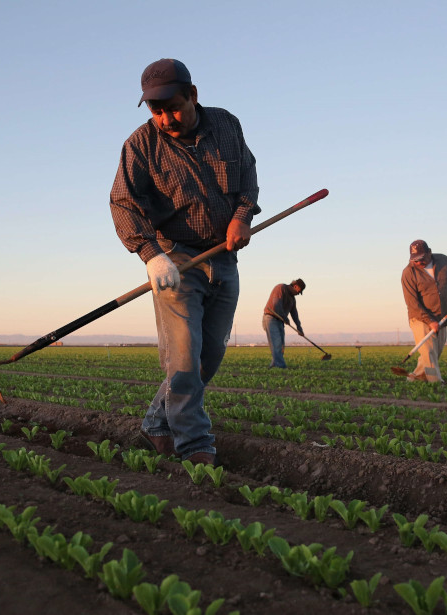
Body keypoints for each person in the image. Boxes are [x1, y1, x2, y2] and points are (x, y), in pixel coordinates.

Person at [110, 58, 260, 465]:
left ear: (193, 96)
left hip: (223, 257)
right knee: (183, 354)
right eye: (156, 111)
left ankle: (158, 421)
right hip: (175, 259)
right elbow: (123, 202)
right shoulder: (140, 145)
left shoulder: (227, 125)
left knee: (208, 355)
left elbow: (247, 175)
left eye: (172, 107)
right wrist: (151, 255)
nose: (165, 118)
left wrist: (241, 217)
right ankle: (194, 445)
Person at [401, 239, 447, 383]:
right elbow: (412, 303)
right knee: (429, 352)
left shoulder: (443, 260)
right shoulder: (408, 273)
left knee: (434, 353)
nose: (418, 263)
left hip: (442, 315)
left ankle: (414, 379)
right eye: (415, 260)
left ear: (429, 252)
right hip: (420, 317)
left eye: (421, 259)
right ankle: (436, 384)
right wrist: (430, 321)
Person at [262, 279, 305, 368]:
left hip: (280, 321)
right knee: (276, 343)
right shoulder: (281, 288)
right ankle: (281, 367)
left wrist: (299, 327)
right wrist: (285, 318)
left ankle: (273, 366)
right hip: (271, 318)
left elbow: (294, 314)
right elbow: (276, 305)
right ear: (296, 286)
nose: (298, 294)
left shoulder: (292, 299)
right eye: (299, 291)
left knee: (281, 346)